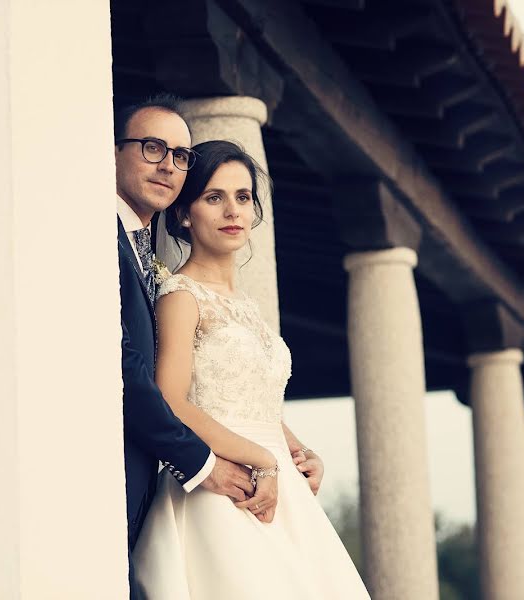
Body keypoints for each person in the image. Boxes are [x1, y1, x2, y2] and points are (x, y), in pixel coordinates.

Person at [132, 140, 370, 599]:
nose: (232, 211)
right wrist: (261, 458)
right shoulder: (182, 296)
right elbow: (171, 399)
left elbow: (258, 403)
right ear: (184, 214)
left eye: (243, 197)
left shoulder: (246, 306)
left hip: (281, 488)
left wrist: (301, 452)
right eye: (214, 198)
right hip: (223, 487)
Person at [114, 95, 257, 600]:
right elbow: (125, 372)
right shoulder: (94, 237)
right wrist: (201, 463)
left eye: (180, 155)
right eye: (153, 147)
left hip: (154, 483)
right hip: (124, 477)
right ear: (112, 152)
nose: (168, 165)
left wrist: (296, 451)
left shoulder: (143, 251)